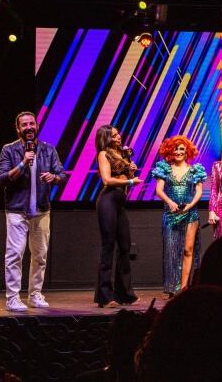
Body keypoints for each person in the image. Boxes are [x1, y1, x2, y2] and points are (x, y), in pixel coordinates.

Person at [0, 111, 67, 311]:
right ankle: (12, 298)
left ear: (37, 126)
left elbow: (62, 175)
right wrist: (23, 163)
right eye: (24, 124)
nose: (29, 127)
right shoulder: (9, 150)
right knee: (14, 255)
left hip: (42, 211)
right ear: (18, 128)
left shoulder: (48, 149)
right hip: (17, 211)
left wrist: (55, 177)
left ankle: (35, 294)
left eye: (31, 124)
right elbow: (2, 178)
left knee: (40, 255)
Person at [94, 125, 143, 308]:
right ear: (107, 138)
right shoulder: (103, 154)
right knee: (108, 245)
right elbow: (107, 180)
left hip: (120, 201)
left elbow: (126, 176)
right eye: (114, 136)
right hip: (108, 200)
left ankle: (124, 294)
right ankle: (105, 296)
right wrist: (130, 180)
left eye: (118, 134)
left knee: (125, 245)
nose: (118, 137)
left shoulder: (122, 154)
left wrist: (131, 171)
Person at [152, 136, 207, 297]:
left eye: (182, 149)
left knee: (188, 250)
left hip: (190, 214)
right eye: (175, 149)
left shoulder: (195, 170)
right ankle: (173, 287)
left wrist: (190, 205)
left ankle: (183, 287)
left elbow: (199, 191)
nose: (178, 152)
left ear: (187, 151)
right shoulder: (165, 168)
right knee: (172, 251)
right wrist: (170, 202)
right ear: (170, 150)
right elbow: (159, 190)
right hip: (171, 215)